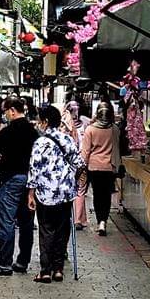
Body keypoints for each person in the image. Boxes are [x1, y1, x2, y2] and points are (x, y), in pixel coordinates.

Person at [28, 105, 85, 283]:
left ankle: (45, 271)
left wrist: (30, 193)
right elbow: (80, 163)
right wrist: (73, 180)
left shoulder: (40, 142)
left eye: (40, 120)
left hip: (45, 193)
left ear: (45, 122)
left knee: (46, 230)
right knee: (62, 229)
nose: (38, 124)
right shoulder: (67, 140)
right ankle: (58, 269)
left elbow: (34, 169)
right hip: (65, 193)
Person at [0, 95, 39, 276]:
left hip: (10, 180)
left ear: (12, 110)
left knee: (6, 221)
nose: (4, 114)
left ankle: (5, 263)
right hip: (29, 181)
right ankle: (22, 261)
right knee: (26, 223)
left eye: (5, 111)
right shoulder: (33, 132)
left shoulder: (8, 131)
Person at [81, 103, 121, 235]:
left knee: (97, 195)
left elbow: (85, 151)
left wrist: (82, 167)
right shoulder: (114, 129)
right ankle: (104, 220)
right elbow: (118, 147)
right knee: (106, 195)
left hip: (94, 166)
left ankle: (100, 222)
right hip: (109, 166)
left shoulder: (90, 130)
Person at [60, 100, 89, 230]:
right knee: (80, 190)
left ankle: (78, 219)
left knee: (70, 189)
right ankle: (78, 219)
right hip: (79, 162)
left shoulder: (63, 126)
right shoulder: (85, 125)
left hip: (66, 164)